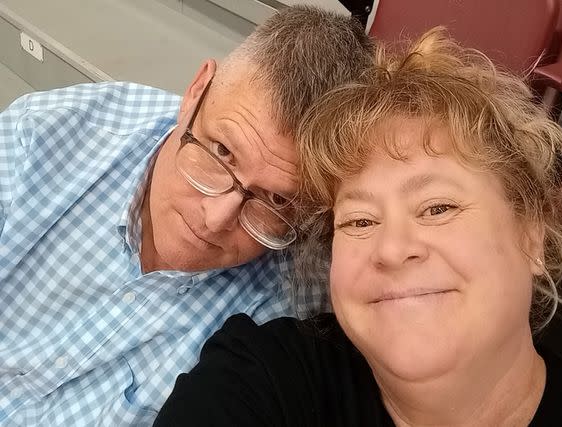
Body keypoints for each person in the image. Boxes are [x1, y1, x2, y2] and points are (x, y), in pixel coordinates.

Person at [154, 28, 562, 426]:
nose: (391, 248)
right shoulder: (264, 377)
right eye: (360, 219)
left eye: (437, 208)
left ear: (532, 235)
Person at [0, 6, 373, 426]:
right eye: (221, 152)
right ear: (195, 92)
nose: (216, 218)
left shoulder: (294, 307)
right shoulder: (46, 136)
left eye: (275, 200)